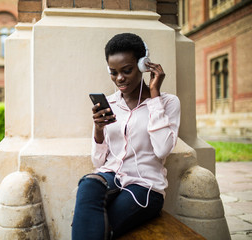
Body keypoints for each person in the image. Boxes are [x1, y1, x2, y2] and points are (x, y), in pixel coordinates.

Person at [71, 33, 181, 239]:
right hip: (112, 177)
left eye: (127, 70)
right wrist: (98, 129)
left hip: (145, 186)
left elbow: (163, 149)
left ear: (142, 65)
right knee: (88, 184)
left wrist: (154, 95)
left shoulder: (168, 103)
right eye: (113, 72)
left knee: (98, 227)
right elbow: (97, 161)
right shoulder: (110, 104)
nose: (119, 78)